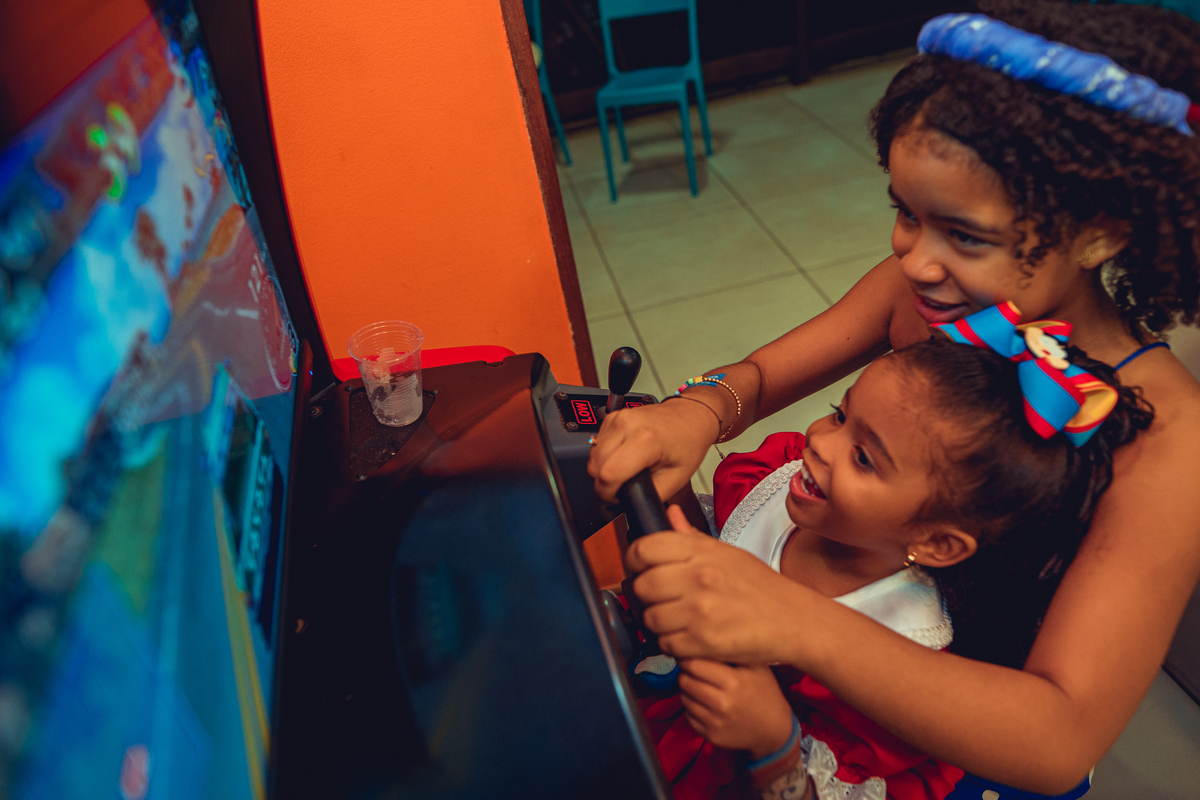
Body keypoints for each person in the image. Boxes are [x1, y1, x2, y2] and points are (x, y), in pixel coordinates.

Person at [588, 1, 1200, 794]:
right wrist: (695, 411)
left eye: (963, 236)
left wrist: (792, 618)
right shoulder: (936, 297)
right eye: (903, 214)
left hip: (950, 748)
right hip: (811, 679)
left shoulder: (1171, 439)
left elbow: (1058, 734)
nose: (913, 259)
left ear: (1099, 232)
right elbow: (762, 380)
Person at [639, 319, 1150, 800]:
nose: (818, 441)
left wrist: (774, 745)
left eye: (864, 457)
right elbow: (718, 537)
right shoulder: (777, 478)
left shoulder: (907, 670)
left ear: (938, 544)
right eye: (841, 414)